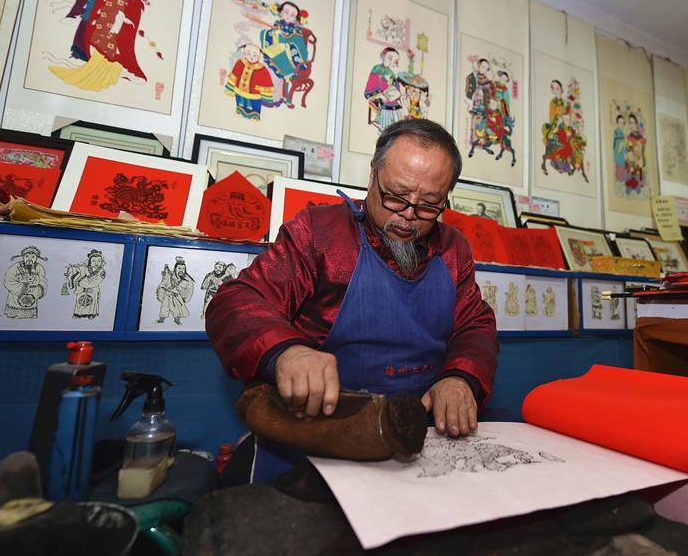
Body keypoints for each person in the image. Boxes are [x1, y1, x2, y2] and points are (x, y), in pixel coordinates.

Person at [206, 119, 498, 482]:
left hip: (418, 437)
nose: (408, 216)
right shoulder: (319, 232)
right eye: (396, 196)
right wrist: (287, 352)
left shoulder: (453, 249)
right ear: (372, 175)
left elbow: (475, 325)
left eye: (429, 205)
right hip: (319, 435)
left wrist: (460, 378)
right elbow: (237, 300)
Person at [49, 0, 157, 91]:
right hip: (103, 24)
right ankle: (94, 69)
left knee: (113, 52)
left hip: (116, 29)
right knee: (101, 47)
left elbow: (133, 15)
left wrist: (126, 15)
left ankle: (111, 70)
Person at [4, 246, 48, 319]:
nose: (29, 259)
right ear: (23, 257)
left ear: (36, 258)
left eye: (33, 257)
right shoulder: (15, 267)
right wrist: (23, 287)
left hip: (32, 298)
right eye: (27, 256)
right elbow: (8, 281)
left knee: (30, 319)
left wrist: (38, 291)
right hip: (15, 299)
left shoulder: (39, 268)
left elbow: (43, 281)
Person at [62, 249, 107, 319]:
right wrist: (72, 270)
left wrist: (83, 282)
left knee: (92, 301)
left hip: (93, 288)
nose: (96, 263)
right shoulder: (85, 268)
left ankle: (91, 314)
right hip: (82, 288)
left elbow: (97, 281)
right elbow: (77, 272)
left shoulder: (101, 271)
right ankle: (78, 313)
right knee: (79, 300)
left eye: (99, 261)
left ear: (101, 262)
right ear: (90, 261)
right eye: (93, 261)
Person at [156, 256, 194, 325]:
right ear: (175, 269)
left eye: (183, 269)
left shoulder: (187, 280)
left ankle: (177, 320)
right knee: (164, 308)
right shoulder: (170, 276)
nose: (181, 270)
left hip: (177, 297)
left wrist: (182, 292)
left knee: (176, 309)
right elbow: (163, 284)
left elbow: (189, 291)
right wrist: (161, 293)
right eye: (179, 268)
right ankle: (161, 319)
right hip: (167, 295)